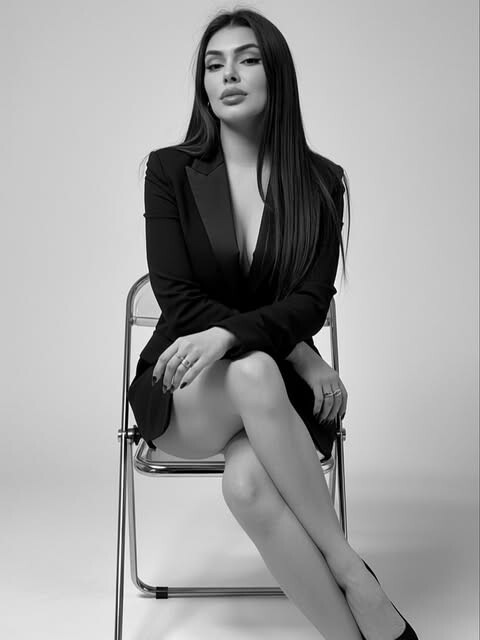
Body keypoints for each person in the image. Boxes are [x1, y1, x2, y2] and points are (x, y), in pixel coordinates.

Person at [127, 8, 419, 640]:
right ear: (204, 85)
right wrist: (296, 353)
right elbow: (177, 298)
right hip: (185, 386)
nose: (228, 75)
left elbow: (311, 303)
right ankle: (353, 571)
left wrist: (251, 339)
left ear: (276, 73)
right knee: (255, 368)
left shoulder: (321, 182)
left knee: (249, 486)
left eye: (247, 59)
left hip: (275, 400)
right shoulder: (169, 171)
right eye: (214, 65)